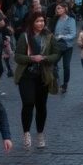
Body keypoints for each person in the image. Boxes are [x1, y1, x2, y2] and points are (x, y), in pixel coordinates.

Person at [15, 11, 61, 148]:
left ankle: (40, 134)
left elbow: (57, 54)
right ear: (32, 23)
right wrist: (30, 58)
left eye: (42, 21)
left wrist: (46, 58)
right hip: (26, 75)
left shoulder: (49, 36)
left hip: (43, 75)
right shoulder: (24, 37)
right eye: (37, 21)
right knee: (28, 103)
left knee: (41, 106)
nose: (40, 24)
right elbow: (17, 56)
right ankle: (26, 133)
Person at [52, 3, 77, 94]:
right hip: (57, 46)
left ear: (64, 9)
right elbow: (53, 32)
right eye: (56, 8)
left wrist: (62, 36)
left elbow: (73, 34)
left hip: (67, 46)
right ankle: (56, 80)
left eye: (59, 8)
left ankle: (65, 84)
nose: (57, 10)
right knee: (52, 62)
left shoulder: (71, 20)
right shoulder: (56, 19)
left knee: (66, 66)